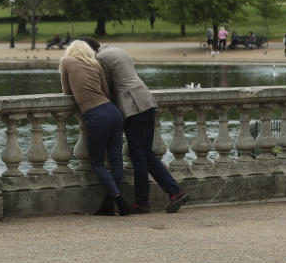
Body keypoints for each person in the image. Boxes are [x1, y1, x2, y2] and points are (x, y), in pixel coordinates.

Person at [79, 37, 190, 214]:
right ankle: (173, 192)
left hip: (132, 107)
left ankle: (145, 201)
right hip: (146, 100)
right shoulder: (117, 51)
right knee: (145, 152)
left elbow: (104, 88)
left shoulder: (101, 59)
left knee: (138, 154)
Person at [58, 40, 130, 216]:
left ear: (71, 50)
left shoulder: (66, 62)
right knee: (116, 160)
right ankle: (110, 203)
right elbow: (105, 91)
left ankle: (119, 199)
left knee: (97, 163)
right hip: (113, 112)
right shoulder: (95, 63)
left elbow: (67, 91)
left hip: (96, 115)